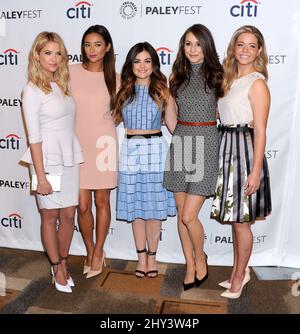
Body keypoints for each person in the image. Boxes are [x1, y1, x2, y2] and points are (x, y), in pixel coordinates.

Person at [210, 25, 272, 299]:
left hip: (244, 155)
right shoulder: (228, 79)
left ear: (259, 51)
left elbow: (260, 129)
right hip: (226, 149)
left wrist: (256, 170)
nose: (245, 50)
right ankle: (240, 269)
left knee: (241, 222)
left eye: (251, 45)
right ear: (233, 48)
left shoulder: (257, 83)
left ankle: (239, 275)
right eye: (240, 44)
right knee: (236, 221)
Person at [20, 32, 84, 293]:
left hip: (69, 157)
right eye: (48, 53)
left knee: (69, 214)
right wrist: (41, 176)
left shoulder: (61, 85)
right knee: (50, 215)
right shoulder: (31, 90)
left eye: (58, 53)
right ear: (37, 55)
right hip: (45, 162)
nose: (54, 58)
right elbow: (33, 138)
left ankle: (63, 262)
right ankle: (56, 265)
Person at [163, 24, 224, 290]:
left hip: (207, 142)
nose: (193, 49)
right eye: (188, 44)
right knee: (180, 212)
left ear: (206, 46)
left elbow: (226, 111)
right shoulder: (176, 75)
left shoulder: (219, 76)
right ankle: (190, 263)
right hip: (181, 143)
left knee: (190, 216)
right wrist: (181, 136)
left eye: (198, 44)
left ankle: (201, 256)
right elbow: (170, 112)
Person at [113, 42, 177, 278]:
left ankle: (153, 257)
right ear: (131, 64)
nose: (142, 66)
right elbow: (109, 121)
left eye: (147, 61)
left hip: (157, 153)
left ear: (154, 64)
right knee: (136, 209)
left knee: (153, 210)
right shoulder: (123, 91)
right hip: (130, 153)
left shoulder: (163, 91)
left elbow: (173, 125)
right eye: (137, 61)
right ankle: (141, 258)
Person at [69, 25, 119, 279]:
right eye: (87, 44)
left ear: (107, 47)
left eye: (98, 44)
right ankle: (89, 249)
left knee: (102, 201)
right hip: (77, 146)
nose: (92, 49)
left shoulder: (116, 78)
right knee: (83, 205)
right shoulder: (69, 72)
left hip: (104, 146)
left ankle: (99, 250)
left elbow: (120, 114)